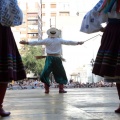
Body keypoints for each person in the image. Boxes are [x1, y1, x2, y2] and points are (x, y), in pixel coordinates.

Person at [80, 0, 120, 113]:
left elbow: (91, 15)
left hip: (112, 33)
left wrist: (102, 29)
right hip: (113, 33)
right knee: (118, 72)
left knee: (117, 72)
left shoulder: (107, 1)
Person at [20, 27, 84, 94]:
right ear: (56, 34)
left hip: (49, 58)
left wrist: (27, 43)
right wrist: (78, 43)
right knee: (60, 73)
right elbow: (68, 42)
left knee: (45, 73)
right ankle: (60, 89)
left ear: (49, 34)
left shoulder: (47, 40)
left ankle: (47, 90)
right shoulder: (59, 40)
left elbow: (37, 42)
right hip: (57, 58)